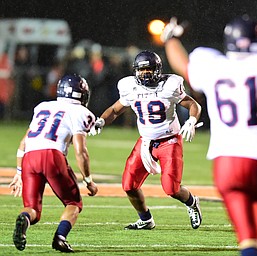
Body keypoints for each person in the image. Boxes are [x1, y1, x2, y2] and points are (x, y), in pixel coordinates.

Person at [161, 15, 257, 256]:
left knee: (247, 239)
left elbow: (182, 64)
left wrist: (171, 39)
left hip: (226, 164)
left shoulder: (212, 65)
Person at [90, 50, 203, 230]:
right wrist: (102, 120)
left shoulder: (170, 85)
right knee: (129, 185)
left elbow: (192, 104)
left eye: (149, 69)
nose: (145, 73)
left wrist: (191, 120)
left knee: (171, 189)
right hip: (145, 142)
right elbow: (115, 109)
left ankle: (192, 202)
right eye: (142, 70)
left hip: (170, 141)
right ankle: (146, 219)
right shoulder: (130, 86)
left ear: (157, 70)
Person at [9, 74, 98, 253]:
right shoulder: (81, 112)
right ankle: (60, 238)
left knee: (32, 209)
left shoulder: (43, 107)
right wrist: (88, 180)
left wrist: (19, 172)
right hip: (52, 155)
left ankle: (24, 219)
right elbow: (81, 152)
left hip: (29, 158)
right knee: (74, 203)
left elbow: (23, 143)